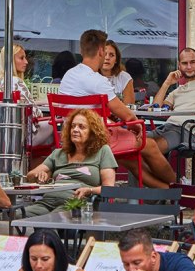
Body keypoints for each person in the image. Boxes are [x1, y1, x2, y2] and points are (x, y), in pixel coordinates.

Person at [58, 29, 177, 188]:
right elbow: (128, 116)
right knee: (149, 145)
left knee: (132, 161)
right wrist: (136, 128)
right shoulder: (97, 81)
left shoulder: (69, 75)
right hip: (95, 140)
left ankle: (167, 190)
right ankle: (176, 184)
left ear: (81, 50)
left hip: (70, 136)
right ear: (101, 51)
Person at [23, 108, 118, 215]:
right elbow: (30, 176)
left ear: (92, 132)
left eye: (81, 127)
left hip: (75, 202)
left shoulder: (103, 151)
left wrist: (90, 191)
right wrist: (39, 175)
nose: (75, 130)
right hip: (47, 201)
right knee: (16, 217)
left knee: (53, 219)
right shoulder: (59, 153)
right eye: (73, 126)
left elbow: (109, 188)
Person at [0, 43, 55, 146]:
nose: (26, 62)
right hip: (14, 139)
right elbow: (35, 113)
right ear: (11, 61)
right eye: (21, 58)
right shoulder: (14, 81)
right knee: (52, 124)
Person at [101, 41, 136, 105]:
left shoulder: (125, 77)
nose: (107, 58)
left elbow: (129, 107)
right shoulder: (89, 76)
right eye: (104, 54)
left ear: (116, 60)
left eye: (111, 55)